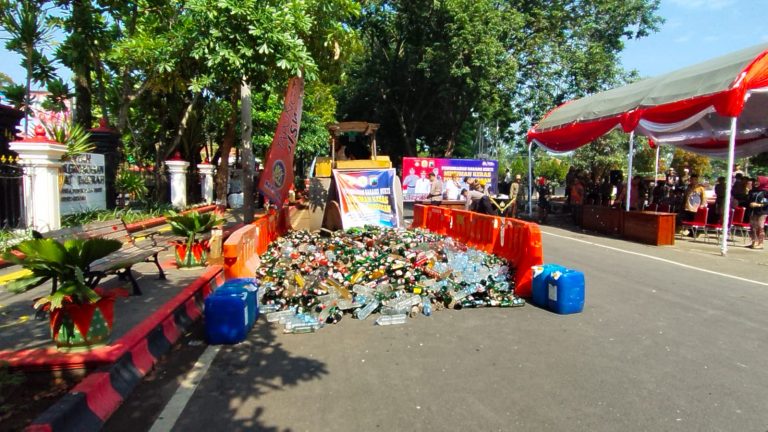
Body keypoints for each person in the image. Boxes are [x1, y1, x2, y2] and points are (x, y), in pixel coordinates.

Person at [746, 176, 768, 249]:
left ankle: (760, 243)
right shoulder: (753, 191)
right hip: (753, 211)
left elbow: (766, 202)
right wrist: (750, 203)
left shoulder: (766, 191)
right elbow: (748, 199)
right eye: (756, 181)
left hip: (762, 211)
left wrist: (758, 204)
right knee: (753, 226)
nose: (756, 182)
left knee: (760, 226)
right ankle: (754, 241)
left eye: (758, 181)